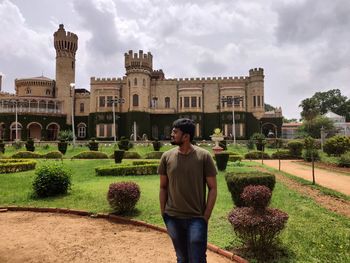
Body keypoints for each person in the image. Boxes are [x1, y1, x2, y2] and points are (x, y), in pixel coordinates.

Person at [158, 118, 217, 263]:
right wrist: (164, 213)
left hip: (196, 218)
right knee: (181, 258)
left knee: (197, 259)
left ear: (186, 136)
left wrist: (206, 216)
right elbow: (163, 187)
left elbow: (213, 188)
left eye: (175, 132)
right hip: (173, 218)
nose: (172, 134)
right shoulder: (166, 157)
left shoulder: (204, 156)